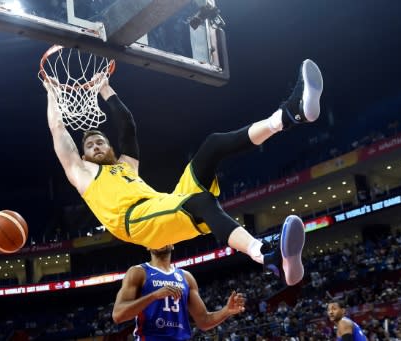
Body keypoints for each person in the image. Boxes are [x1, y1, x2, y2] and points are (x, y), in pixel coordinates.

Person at [44, 58, 324, 286]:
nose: (95, 146)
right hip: (136, 222)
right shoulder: (82, 173)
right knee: (201, 202)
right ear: (83, 156)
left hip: (164, 202)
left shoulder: (125, 165)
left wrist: (105, 89)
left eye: (100, 142)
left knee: (213, 144)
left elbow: (127, 125)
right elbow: (58, 130)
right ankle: (268, 255)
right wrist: (52, 94)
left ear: (111, 149)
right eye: (89, 145)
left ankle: (289, 114)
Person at [112, 244, 245, 340]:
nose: (159, 239)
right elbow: (118, 315)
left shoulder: (186, 277)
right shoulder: (138, 272)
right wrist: (153, 296)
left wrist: (226, 311)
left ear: (173, 243)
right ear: (147, 245)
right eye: (155, 236)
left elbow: (204, 321)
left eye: (164, 235)